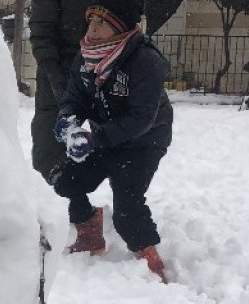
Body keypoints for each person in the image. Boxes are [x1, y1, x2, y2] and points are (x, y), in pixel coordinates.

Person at [51, 0, 173, 283]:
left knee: (127, 208)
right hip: (104, 137)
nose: (92, 31)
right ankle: (90, 231)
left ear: (119, 28)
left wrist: (96, 138)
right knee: (65, 181)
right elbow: (75, 98)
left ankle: (149, 258)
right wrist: (67, 121)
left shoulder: (145, 60)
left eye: (101, 25)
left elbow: (142, 117)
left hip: (144, 142)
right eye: (90, 24)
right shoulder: (85, 57)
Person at [29, 0, 93, 181]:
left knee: (116, 136)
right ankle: (57, 188)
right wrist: (53, 73)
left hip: (107, 63)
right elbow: (42, 30)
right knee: (51, 135)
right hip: (60, 64)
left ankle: (123, 199)